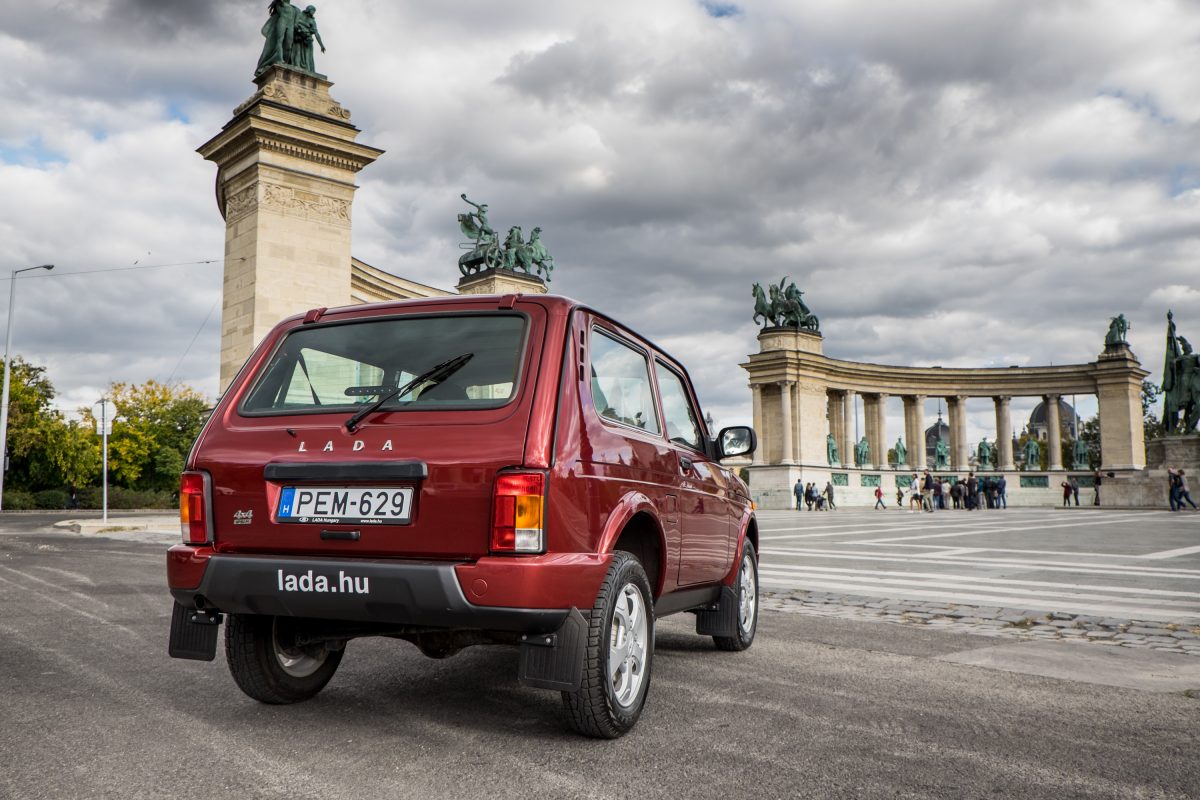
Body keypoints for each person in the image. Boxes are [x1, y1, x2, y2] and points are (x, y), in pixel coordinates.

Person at [256, 0, 300, 76]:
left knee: (289, 45)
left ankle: (285, 61)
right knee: (279, 40)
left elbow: (297, 22)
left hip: (290, 26)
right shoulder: (280, 4)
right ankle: (279, 59)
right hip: (282, 22)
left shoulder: (295, 9)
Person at [292, 5, 326, 74]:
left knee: (308, 57)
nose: (313, 13)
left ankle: (309, 71)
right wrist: (299, 31)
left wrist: (321, 45)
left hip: (308, 40)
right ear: (309, 9)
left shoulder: (312, 21)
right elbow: (294, 24)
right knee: (297, 52)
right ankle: (296, 66)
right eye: (313, 11)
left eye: (314, 11)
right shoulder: (300, 15)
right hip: (298, 37)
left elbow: (316, 33)